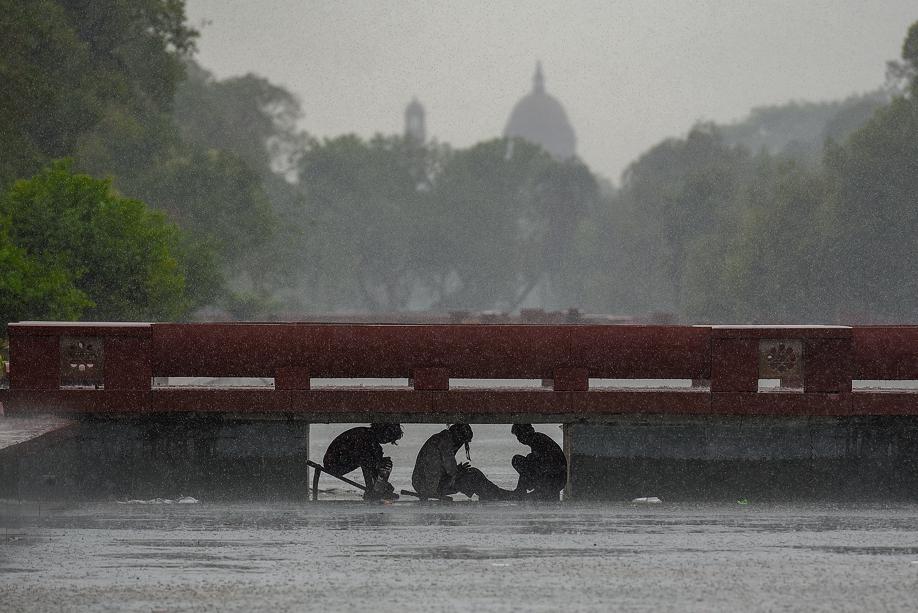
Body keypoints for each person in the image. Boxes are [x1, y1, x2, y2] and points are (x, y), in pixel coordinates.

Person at [411, 423, 514, 501]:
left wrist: (457, 471)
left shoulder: (441, 438)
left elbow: (443, 468)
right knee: (472, 475)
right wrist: (458, 472)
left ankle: (492, 493)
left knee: (471, 474)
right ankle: (495, 494)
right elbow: (450, 469)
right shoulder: (445, 441)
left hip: (423, 484)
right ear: (458, 437)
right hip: (428, 486)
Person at [322, 423, 403, 500]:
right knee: (367, 458)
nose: (387, 441)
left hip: (342, 460)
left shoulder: (371, 440)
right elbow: (365, 460)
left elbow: (371, 462)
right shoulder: (364, 436)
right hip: (333, 464)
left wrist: (382, 482)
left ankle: (376, 488)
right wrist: (378, 464)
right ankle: (371, 490)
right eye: (389, 438)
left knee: (377, 460)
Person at [510, 423, 567, 501]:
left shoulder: (537, 440)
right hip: (557, 480)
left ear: (525, 433)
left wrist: (521, 487)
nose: (519, 440)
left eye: (518, 435)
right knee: (526, 463)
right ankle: (534, 490)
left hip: (554, 480)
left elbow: (539, 464)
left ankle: (524, 490)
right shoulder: (539, 438)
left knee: (517, 460)